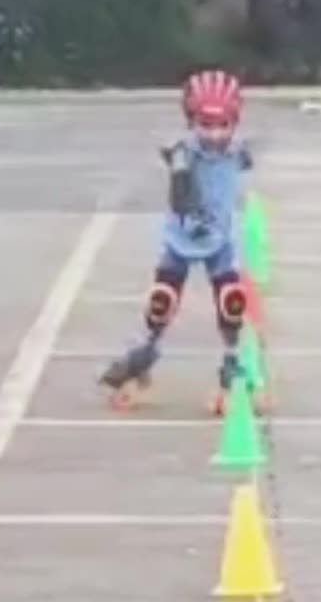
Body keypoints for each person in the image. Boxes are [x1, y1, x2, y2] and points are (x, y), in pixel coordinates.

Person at [99, 69, 256, 415]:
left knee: (231, 301)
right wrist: (187, 200)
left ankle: (232, 362)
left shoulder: (238, 152)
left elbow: (250, 156)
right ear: (191, 120)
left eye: (223, 125)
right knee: (162, 300)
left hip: (221, 242)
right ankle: (144, 354)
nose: (215, 134)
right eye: (206, 124)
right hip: (182, 239)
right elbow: (179, 194)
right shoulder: (183, 152)